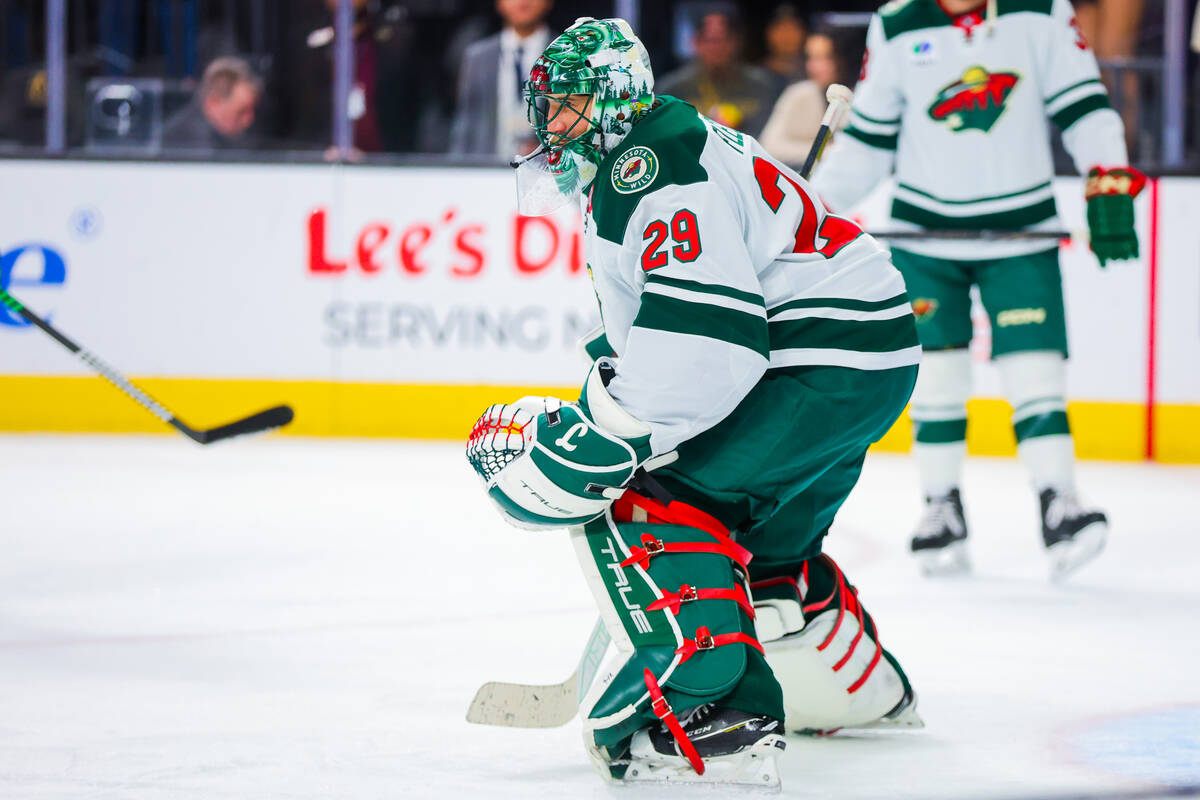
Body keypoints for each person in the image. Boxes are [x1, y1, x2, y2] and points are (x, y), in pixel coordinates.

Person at [466, 17, 923, 789]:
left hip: (813, 367)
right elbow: (665, 329)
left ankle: (712, 718)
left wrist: (615, 436)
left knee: (653, 500)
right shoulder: (660, 148)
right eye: (547, 105)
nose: (551, 123)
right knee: (769, 547)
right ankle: (855, 689)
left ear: (616, 100)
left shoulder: (650, 166)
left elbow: (711, 343)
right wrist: (618, 403)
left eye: (570, 103)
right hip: (860, 364)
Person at [814, 0, 1142, 581]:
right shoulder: (898, 22)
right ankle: (941, 505)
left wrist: (1106, 170)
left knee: (1034, 368)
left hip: (1021, 230)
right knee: (937, 375)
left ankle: (1058, 501)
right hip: (923, 233)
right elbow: (869, 137)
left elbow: (1084, 103)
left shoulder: (1041, 11)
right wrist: (813, 207)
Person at [449, 0, 552, 157]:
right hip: (487, 170)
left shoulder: (567, 56)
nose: (523, 2)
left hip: (547, 173)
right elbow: (465, 126)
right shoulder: (478, 57)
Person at [655, 9, 779, 138]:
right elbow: (664, 134)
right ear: (696, 42)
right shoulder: (672, 88)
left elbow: (770, 134)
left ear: (736, 42)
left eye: (724, 39)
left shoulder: (761, 85)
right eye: (710, 40)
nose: (717, 47)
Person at [759, 27, 848, 168]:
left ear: (841, 58)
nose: (813, 67)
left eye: (823, 58)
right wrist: (826, 152)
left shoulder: (858, 96)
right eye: (810, 58)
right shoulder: (798, 93)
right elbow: (769, 145)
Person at [161, 57, 261, 152]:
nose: (249, 120)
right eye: (241, 112)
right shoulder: (189, 146)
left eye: (252, 110)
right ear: (213, 103)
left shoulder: (230, 138)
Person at [760, 4, 808, 95]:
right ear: (769, 33)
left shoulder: (813, 73)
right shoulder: (756, 76)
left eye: (792, 28)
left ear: (803, 33)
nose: (787, 36)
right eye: (781, 28)